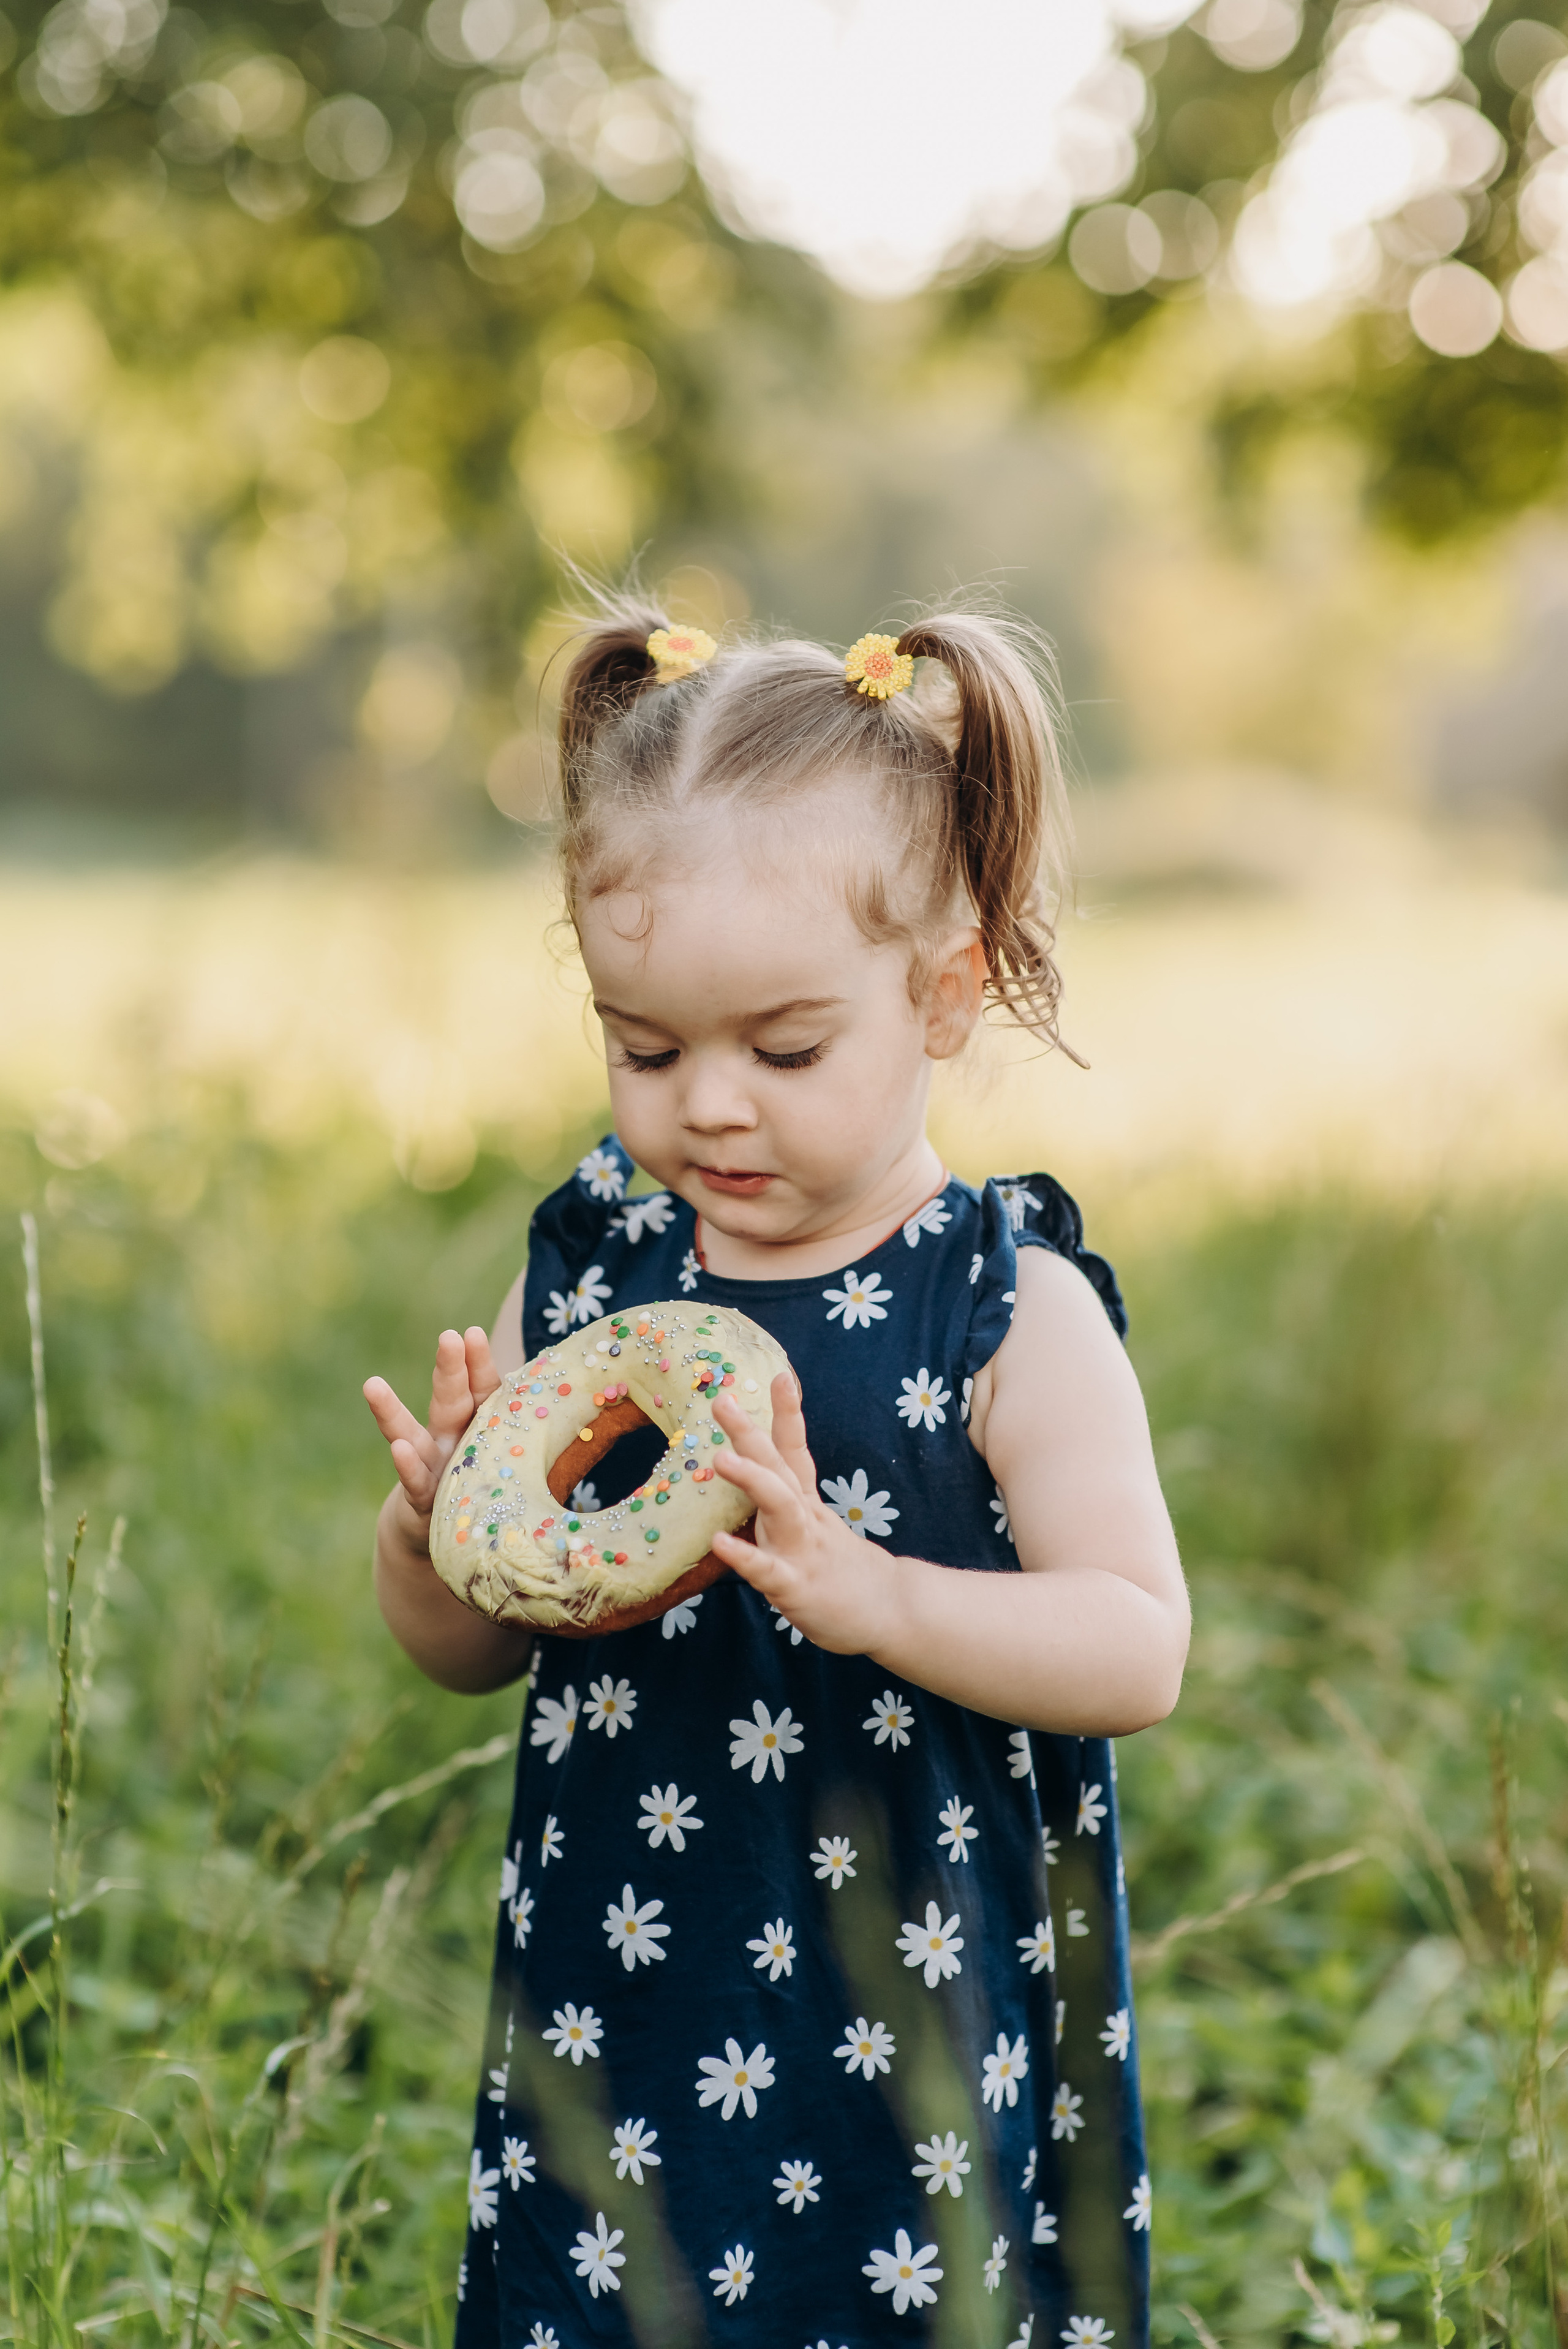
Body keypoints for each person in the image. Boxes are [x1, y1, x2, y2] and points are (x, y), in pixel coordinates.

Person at [363, 597, 1188, 2348]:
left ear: (944, 992)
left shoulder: (1004, 1309)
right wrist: (436, 1547)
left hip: (910, 2010)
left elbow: (1137, 1644)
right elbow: (477, 1644)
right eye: (645, 1047)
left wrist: (881, 1596)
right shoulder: (594, 1277)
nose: (708, 1109)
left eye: (784, 1048)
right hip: (627, 1990)